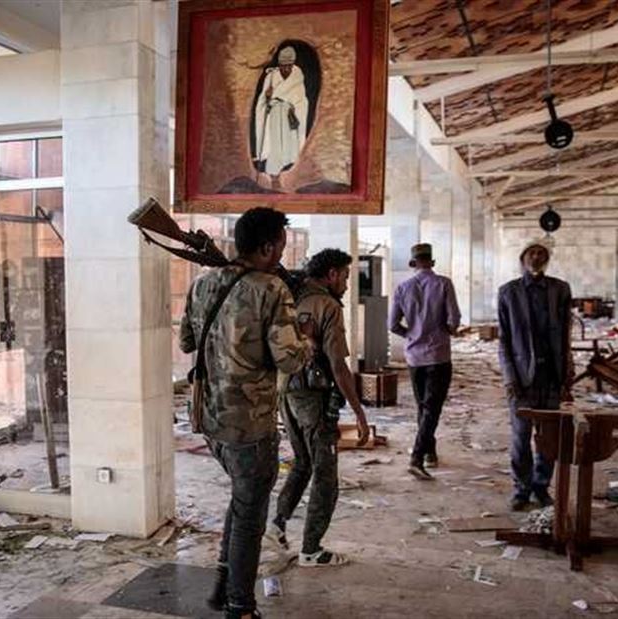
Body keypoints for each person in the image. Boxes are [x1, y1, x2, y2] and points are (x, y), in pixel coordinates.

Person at [179, 207, 314, 619]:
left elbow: (186, 342)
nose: (282, 255)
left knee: (242, 501)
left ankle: (223, 586)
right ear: (268, 247)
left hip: (208, 416)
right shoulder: (271, 289)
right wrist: (307, 341)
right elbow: (290, 360)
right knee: (251, 516)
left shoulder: (201, 284)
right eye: (281, 247)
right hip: (250, 423)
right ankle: (240, 607)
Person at [266, 249, 370, 567]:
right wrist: (359, 413)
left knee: (302, 463)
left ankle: (276, 524)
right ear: (332, 274)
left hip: (286, 392)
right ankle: (311, 550)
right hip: (313, 398)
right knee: (326, 476)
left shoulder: (290, 297)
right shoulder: (327, 305)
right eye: (346, 277)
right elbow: (338, 365)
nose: (347, 285)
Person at [497, 240, 574, 511]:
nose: (537, 256)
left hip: (551, 376)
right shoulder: (508, 292)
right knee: (521, 437)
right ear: (523, 258)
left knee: (548, 438)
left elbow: (565, 335)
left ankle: (541, 488)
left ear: (547, 259)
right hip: (521, 378)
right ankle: (521, 489)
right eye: (532, 252)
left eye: (542, 253)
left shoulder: (560, 289)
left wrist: (567, 375)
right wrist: (509, 378)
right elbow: (504, 340)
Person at [388, 243, 461, 481]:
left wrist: (411, 334)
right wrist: (447, 330)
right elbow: (454, 319)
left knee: (423, 406)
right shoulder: (444, 283)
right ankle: (417, 458)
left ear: (413, 263)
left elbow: (392, 324)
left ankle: (430, 452)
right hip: (438, 355)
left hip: (414, 356)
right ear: (431, 261)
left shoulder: (403, 287)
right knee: (432, 408)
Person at [253, 46, 308, 190]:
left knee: (290, 147)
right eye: (283, 65)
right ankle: (273, 177)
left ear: (293, 64)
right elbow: (263, 100)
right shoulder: (271, 76)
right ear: (279, 64)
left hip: (290, 116)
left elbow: (301, 99)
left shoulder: (297, 75)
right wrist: (268, 97)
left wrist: (295, 108)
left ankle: (287, 176)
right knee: (275, 146)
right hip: (275, 115)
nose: (286, 69)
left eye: (289, 65)